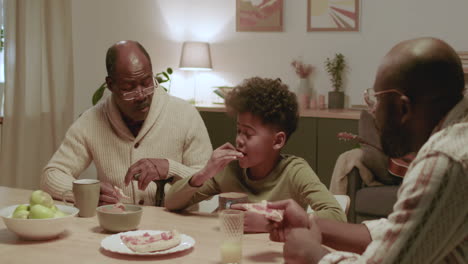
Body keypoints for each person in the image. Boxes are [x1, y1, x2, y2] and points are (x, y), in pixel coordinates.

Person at [267, 37, 468, 263]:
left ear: (403, 107)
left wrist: (313, 255)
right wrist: (310, 222)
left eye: (376, 100)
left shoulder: (445, 160)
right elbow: (402, 232)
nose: (372, 111)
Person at [41, 40, 212, 206]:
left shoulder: (186, 115)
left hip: (177, 228)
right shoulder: (91, 121)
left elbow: (210, 181)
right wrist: (85, 192)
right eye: (128, 88)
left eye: (146, 83)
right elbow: (51, 175)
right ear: (110, 85)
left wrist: (171, 168)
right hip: (116, 227)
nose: (141, 95)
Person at [165, 77, 346, 232]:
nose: (239, 140)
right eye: (238, 130)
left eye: (249, 134)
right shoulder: (229, 169)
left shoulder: (295, 172)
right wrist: (204, 173)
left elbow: (337, 216)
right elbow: (171, 202)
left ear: (277, 141)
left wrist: (272, 222)